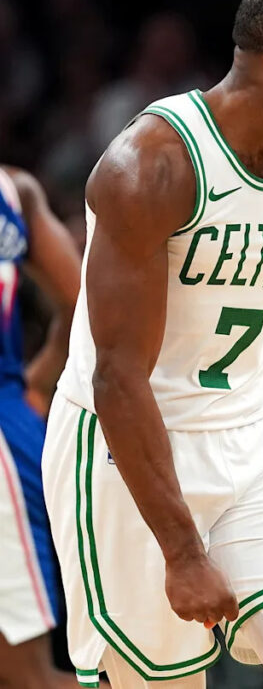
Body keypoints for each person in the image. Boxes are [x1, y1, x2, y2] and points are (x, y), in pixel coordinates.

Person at [41, 0, 263, 689]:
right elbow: (117, 377)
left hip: (251, 443)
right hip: (126, 455)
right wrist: (182, 551)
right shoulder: (151, 165)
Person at [0, 165, 80, 689]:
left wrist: (37, 381)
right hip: (13, 421)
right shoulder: (15, 191)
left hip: (5, 445)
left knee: (22, 677)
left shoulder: (15, 194)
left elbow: (86, 305)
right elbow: (83, 304)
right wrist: (39, 381)